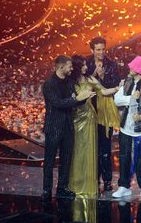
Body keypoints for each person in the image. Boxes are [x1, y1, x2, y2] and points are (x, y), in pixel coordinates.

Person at [41, 55, 95, 201]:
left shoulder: (70, 83)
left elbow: (73, 102)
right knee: (50, 160)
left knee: (66, 159)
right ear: (61, 67)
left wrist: (84, 98)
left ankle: (62, 187)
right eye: (70, 66)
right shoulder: (49, 84)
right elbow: (57, 103)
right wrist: (77, 98)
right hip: (54, 127)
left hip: (68, 126)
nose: (72, 69)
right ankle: (47, 189)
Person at [68, 55, 122, 198]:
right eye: (84, 65)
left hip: (91, 119)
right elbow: (68, 100)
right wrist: (79, 98)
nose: (86, 67)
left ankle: (90, 182)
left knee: (90, 150)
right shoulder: (70, 82)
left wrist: (117, 88)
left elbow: (103, 91)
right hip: (76, 119)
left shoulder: (90, 79)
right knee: (77, 150)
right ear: (78, 67)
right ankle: (77, 182)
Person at [112, 56, 141, 200]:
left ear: (139, 69)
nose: (129, 68)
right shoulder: (126, 82)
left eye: (132, 66)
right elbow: (117, 100)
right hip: (125, 127)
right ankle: (123, 186)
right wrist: (132, 98)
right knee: (124, 157)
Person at [86, 37, 121, 191]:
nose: (101, 52)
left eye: (103, 49)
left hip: (105, 110)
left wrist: (103, 77)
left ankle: (107, 180)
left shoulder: (112, 64)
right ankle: (94, 178)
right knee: (91, 146)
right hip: (89, 109)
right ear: (92, 50)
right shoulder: (85, 64)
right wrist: (94, 73)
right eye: (98, 49)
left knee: (105, 147)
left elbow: (115, 84)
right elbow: (81, 83)